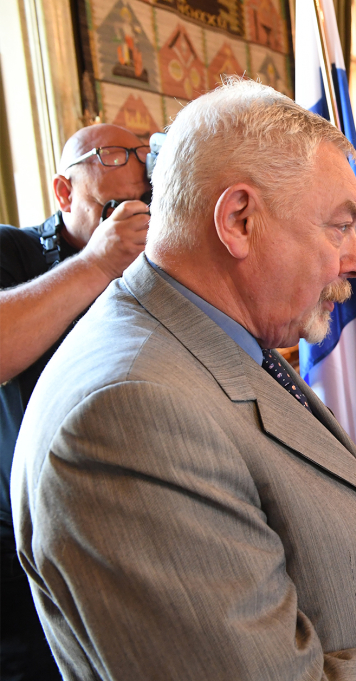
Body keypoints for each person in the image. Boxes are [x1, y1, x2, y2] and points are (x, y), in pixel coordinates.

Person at [10, 79, 356, 681]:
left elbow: (302, 471)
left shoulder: (207, 329)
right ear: (239, 220)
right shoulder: (129, 415)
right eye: (340, 227)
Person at [0, 123, 151, 681]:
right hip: (27, 549)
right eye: (113, 207)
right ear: (64, 192)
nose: (129, 220)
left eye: (141, 205)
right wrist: (97, 263)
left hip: (132, 530)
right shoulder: (12, 250)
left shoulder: (148, 268)